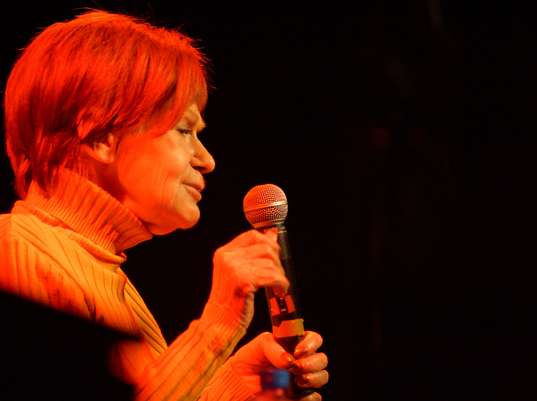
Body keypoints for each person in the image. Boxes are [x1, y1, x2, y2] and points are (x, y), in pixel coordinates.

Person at [0, 9, 328, 401]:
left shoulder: (102, 272)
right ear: (99, 136)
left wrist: (237, 390)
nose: (207, 160)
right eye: (184, 130)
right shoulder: (16, 251)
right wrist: (217, 327)